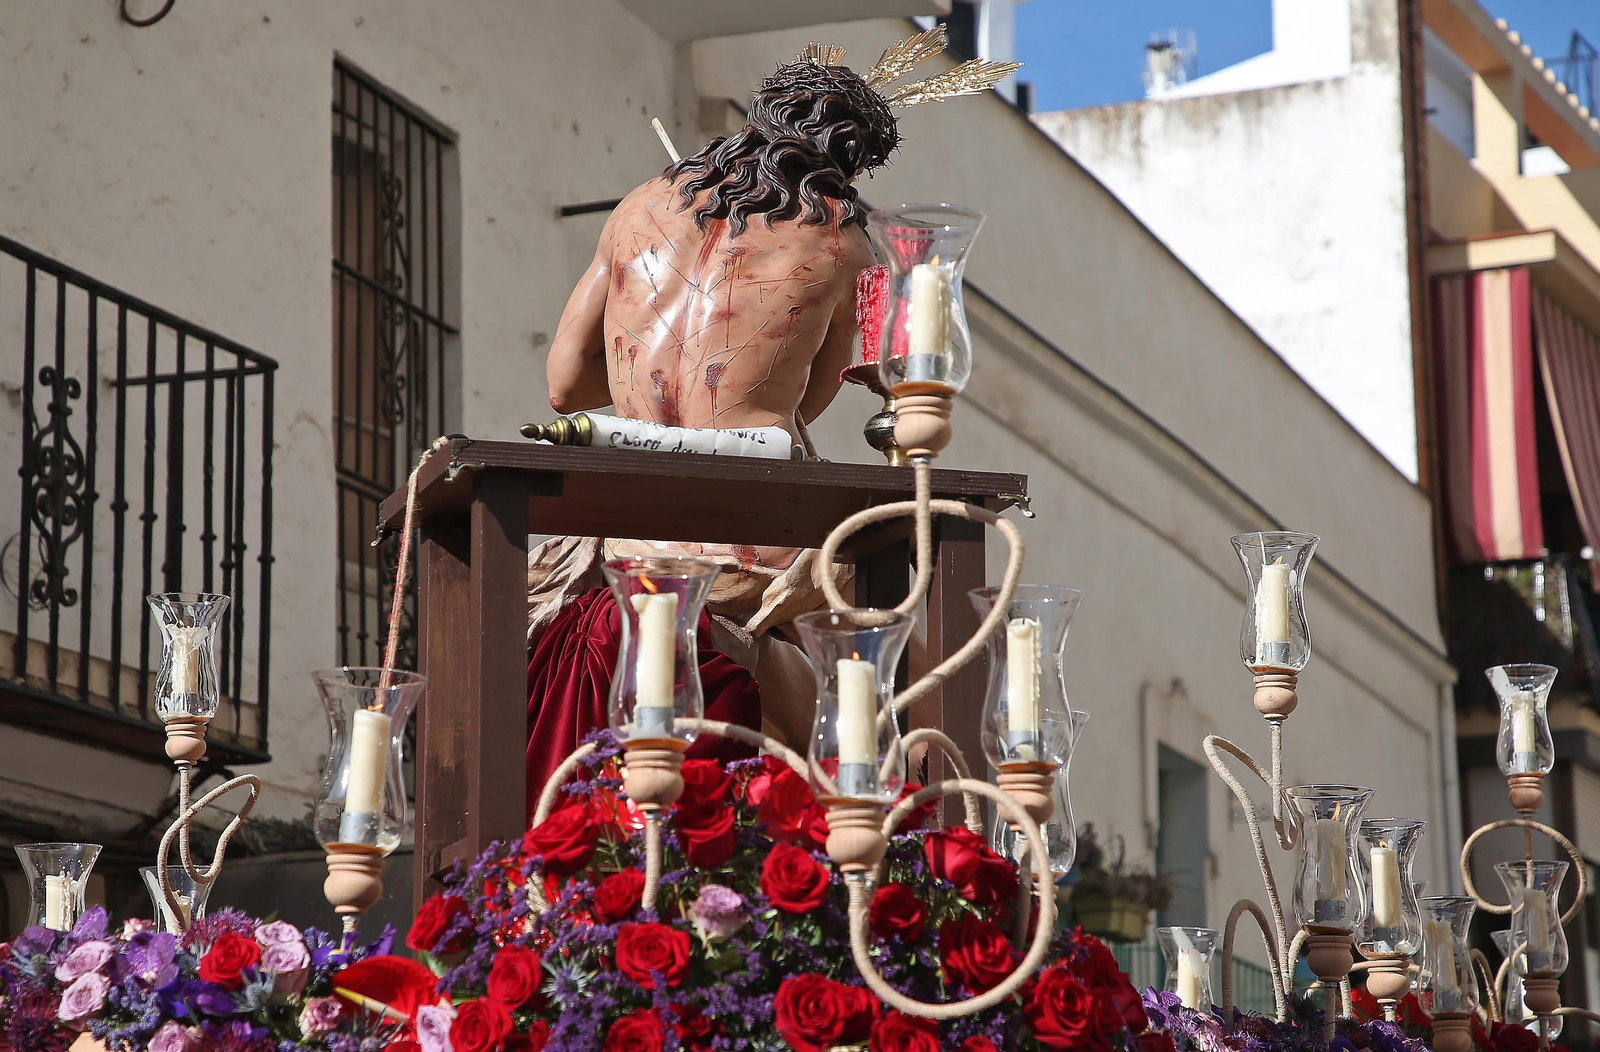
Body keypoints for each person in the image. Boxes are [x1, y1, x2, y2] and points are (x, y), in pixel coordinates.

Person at [525, 34, 1019, 818]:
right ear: (852, 159)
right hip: (754, 537)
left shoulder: (636, 209)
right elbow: (813, 402)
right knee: (924, 662)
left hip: (627, 534)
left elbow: (563, 384)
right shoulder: (847, 240)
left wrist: (651, 382)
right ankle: (944, 832)